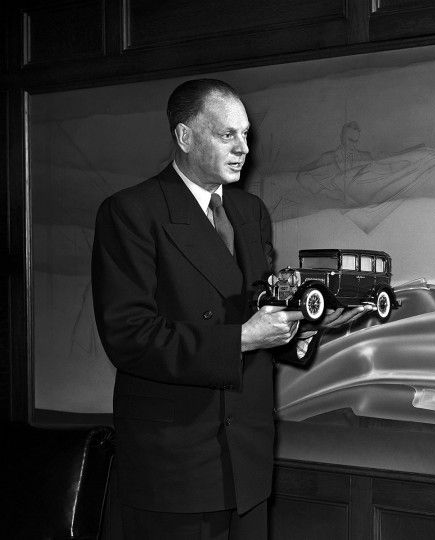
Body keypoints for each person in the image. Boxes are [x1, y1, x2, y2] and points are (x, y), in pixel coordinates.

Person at [91, 79, 368, 539]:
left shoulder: (249, 211)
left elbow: (259, 308)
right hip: (176, 468)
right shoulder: (130, 212)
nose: (244, 148)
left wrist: (306, 327)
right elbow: (129, 336)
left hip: (248, 462)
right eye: (227, 135)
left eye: (246, 135)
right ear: (184, 137)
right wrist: (242, 337)